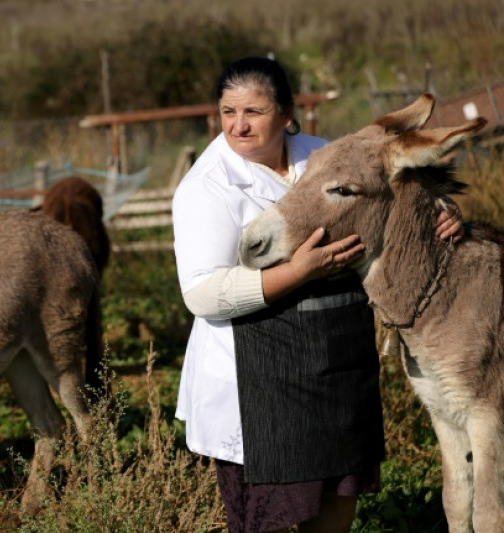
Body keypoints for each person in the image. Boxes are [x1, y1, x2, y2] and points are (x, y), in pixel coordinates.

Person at [171, 56, 462, 533]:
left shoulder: (323, 154)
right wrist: (298, 273)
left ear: (287, 114)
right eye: (227, 112)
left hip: (338, 366)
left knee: (334, 516)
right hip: (260, 385)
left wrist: (440, 212)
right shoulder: (205, 188)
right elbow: (203, 295)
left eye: (253, 112)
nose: (238, 126)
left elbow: (387, 201)